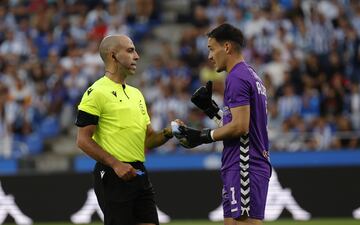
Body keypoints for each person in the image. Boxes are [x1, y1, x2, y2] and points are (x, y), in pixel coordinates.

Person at [175, 23, 271, 225]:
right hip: (239, 162)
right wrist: (210, 109)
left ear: (226, 47)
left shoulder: (236, 77)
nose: (209, 56)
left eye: (211, 49)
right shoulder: (249, 74)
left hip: (245, 163)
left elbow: (240, 127)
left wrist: (202, 136)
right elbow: (238, 122)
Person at [75, 34, 174, 225]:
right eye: (130, 51)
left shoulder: (136, 94)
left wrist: (169, 132)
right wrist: (115, 164)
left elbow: (149, 139)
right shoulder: (95, 93)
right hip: (113, 175)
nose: (137, 56)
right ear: (113, 56)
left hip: (139, 173)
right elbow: (83, 140)